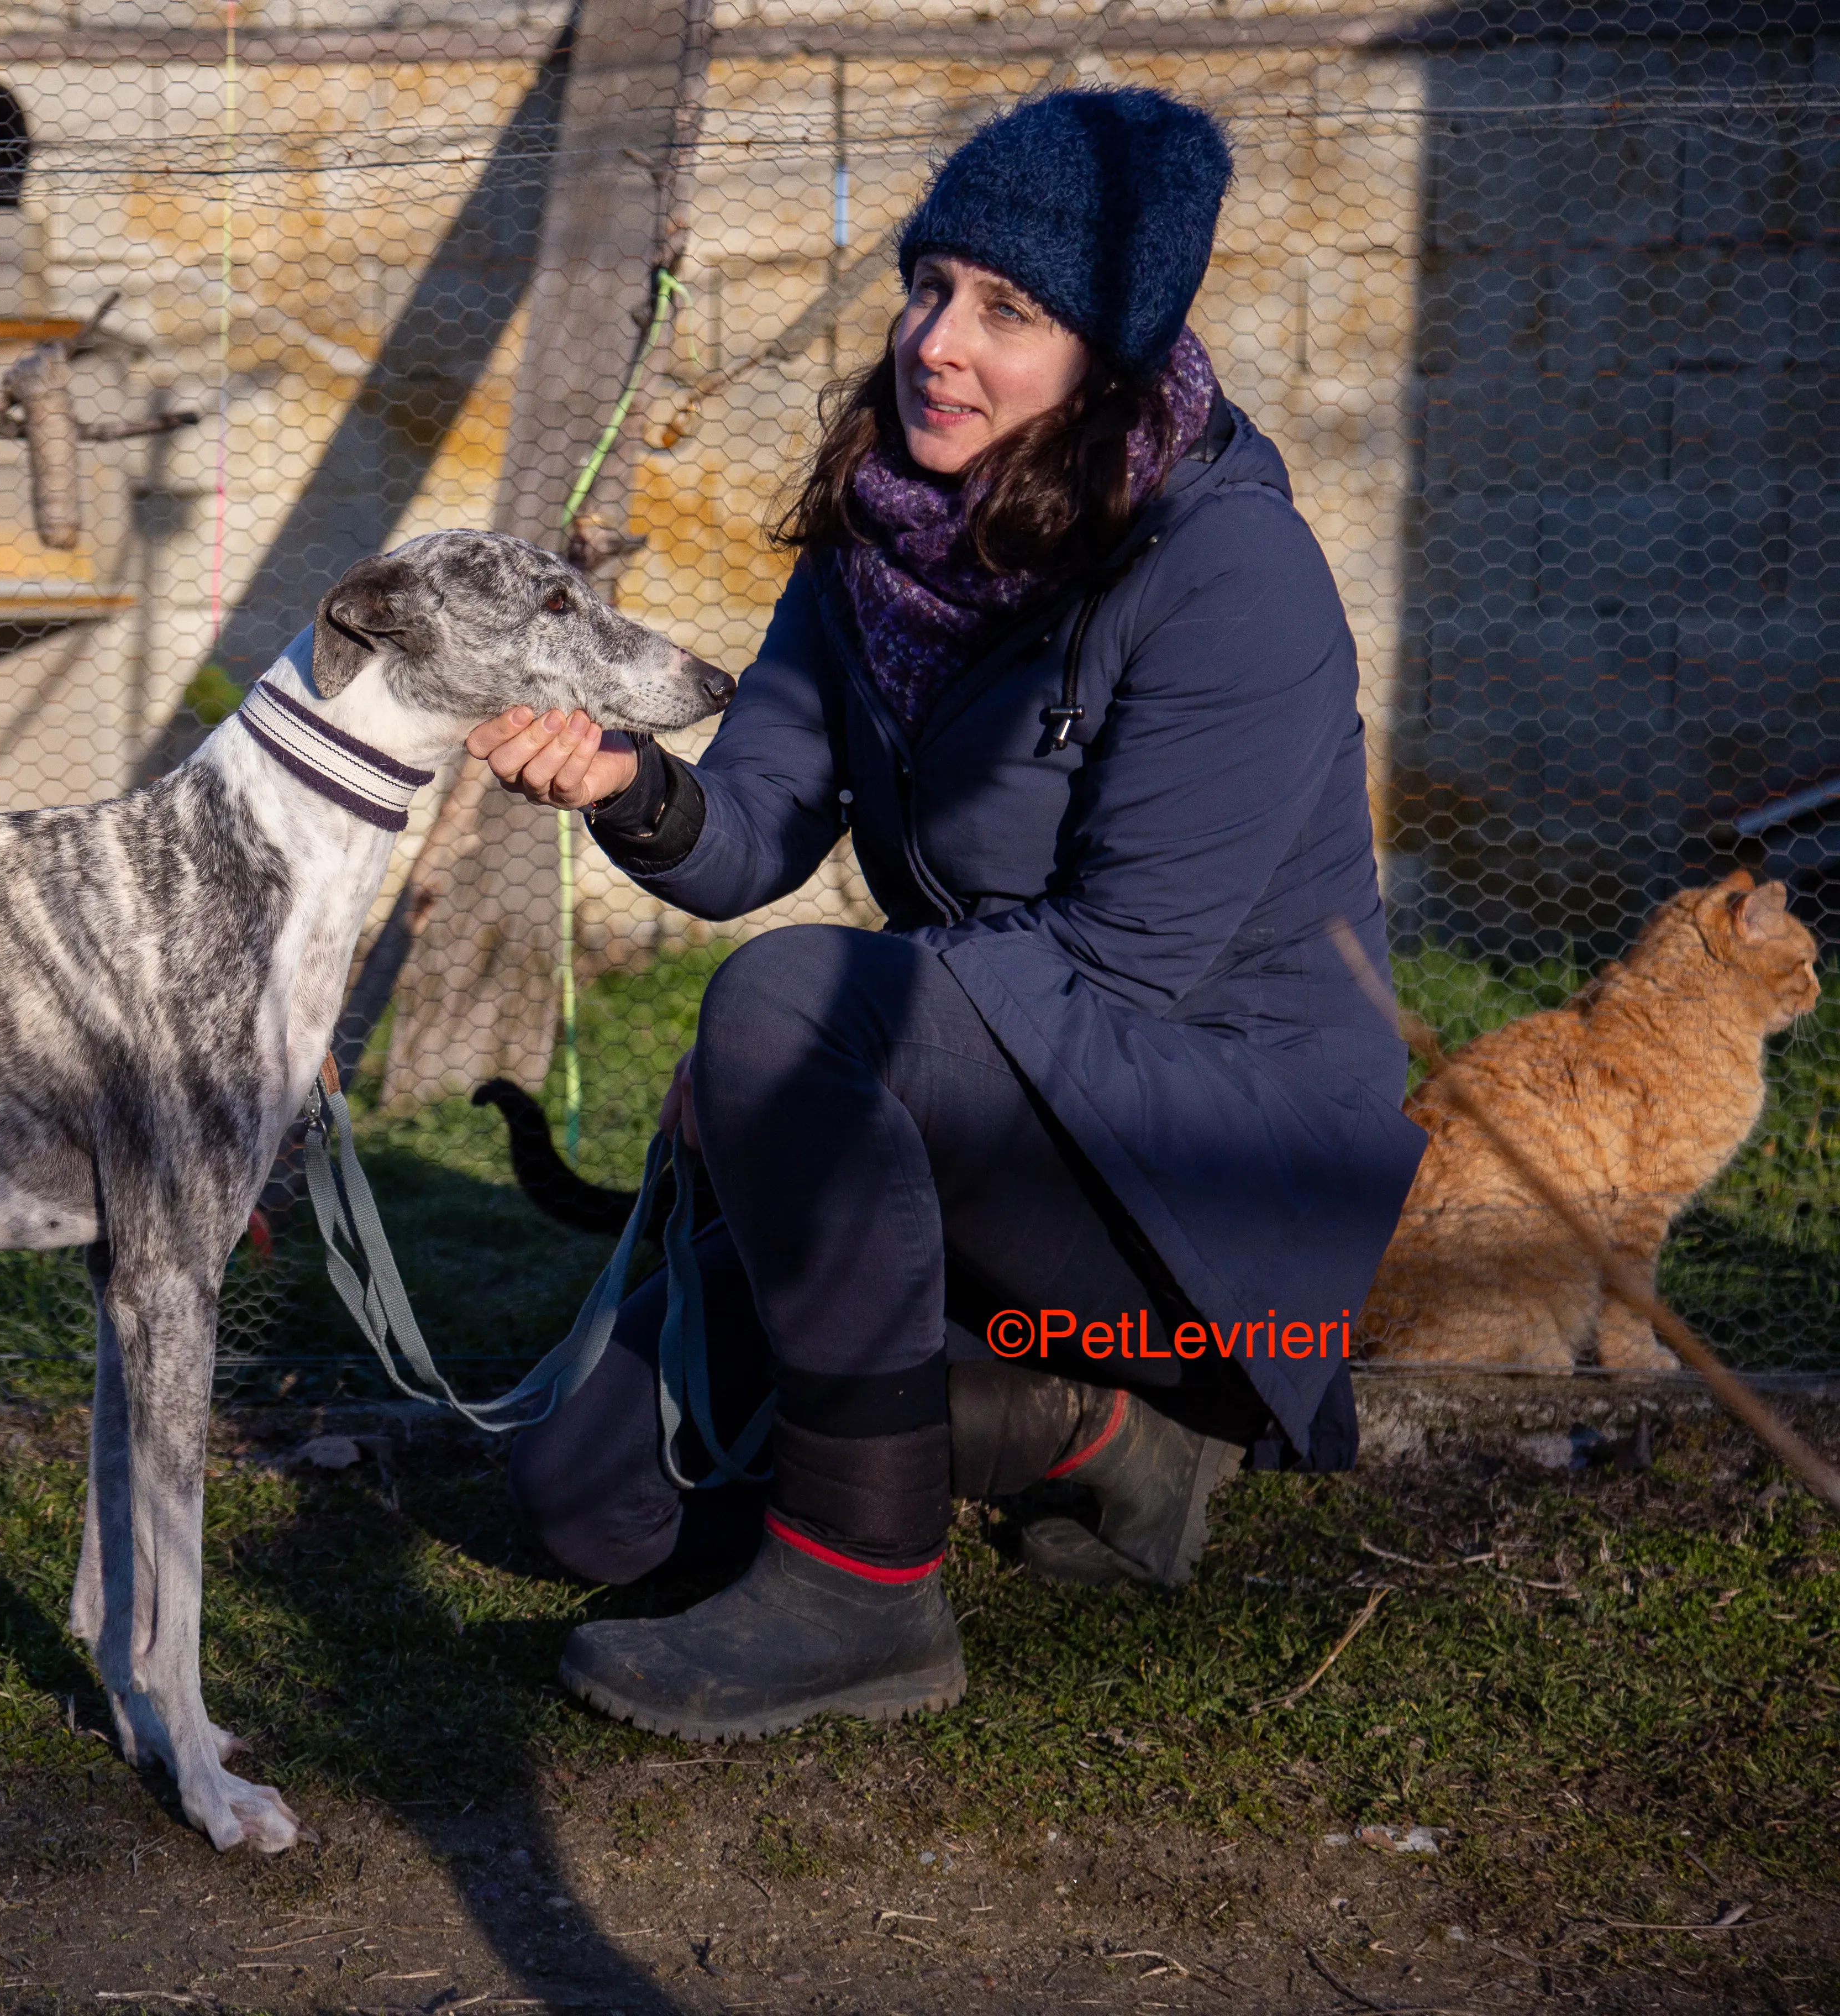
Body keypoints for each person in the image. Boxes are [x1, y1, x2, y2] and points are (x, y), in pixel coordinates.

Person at [466, 87, 1427, 1739]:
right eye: (930, 287)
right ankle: (1095, 1439)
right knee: (587, 1508)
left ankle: (863, 1601)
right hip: (1003, 1145)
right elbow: (751, 831)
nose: (939, 342)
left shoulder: (1229, 575)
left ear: (1112, 358)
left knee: (792, 1012)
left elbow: (1128, 972)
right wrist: (631, 786)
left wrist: (799, 1062)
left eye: (1011, 311)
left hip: (1213, 1199)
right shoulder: (877, 547)